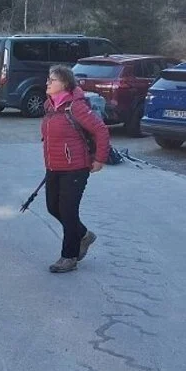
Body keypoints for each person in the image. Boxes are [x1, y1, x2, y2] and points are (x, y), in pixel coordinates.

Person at [40, 65, 110, 273]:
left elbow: (101, 130)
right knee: (53, 207)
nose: (48, 82)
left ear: (65, 83)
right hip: (54, 166)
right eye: (48, 79)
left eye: (52, 80)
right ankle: (83, 235)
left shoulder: (76, 107)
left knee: (69, 212)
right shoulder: (49, 105)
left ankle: (69, 257)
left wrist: (99, 159)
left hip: (76, 168)